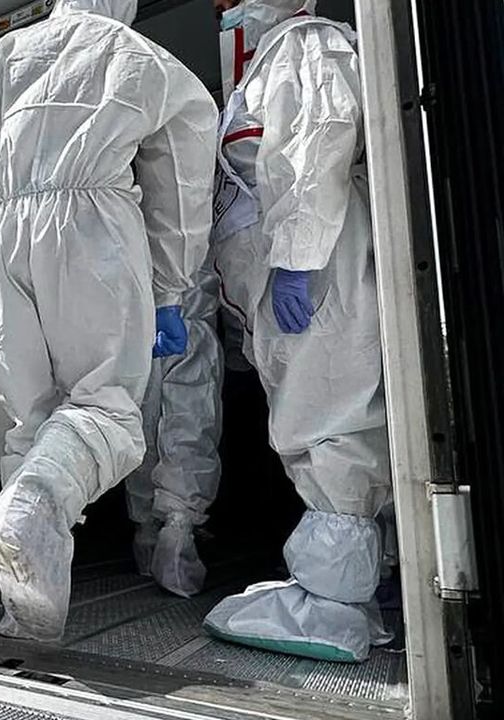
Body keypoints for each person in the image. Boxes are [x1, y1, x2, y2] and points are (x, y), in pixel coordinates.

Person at [0, 0, 217, 641]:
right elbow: (183, 161)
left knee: (29, 421)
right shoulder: (128, 50)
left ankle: (24, 606)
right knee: (106, 406)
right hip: (90, 231)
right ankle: (38, 503)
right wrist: (171, 284)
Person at [203, 0, 393, 663]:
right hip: (298, 273)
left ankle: (331, 606)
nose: (223, 12)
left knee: (329, 418)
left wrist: (297, 256)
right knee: (316, 417)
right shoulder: (267, 64)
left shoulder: (303, 41)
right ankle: (347, 591)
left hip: (317, 272)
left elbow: (318, 141)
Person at [124, 260, 224, 598]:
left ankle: (146, 534)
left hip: (134, 311)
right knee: (189, 417)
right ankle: (176, 535)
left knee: (141, 416)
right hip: (188, 309)